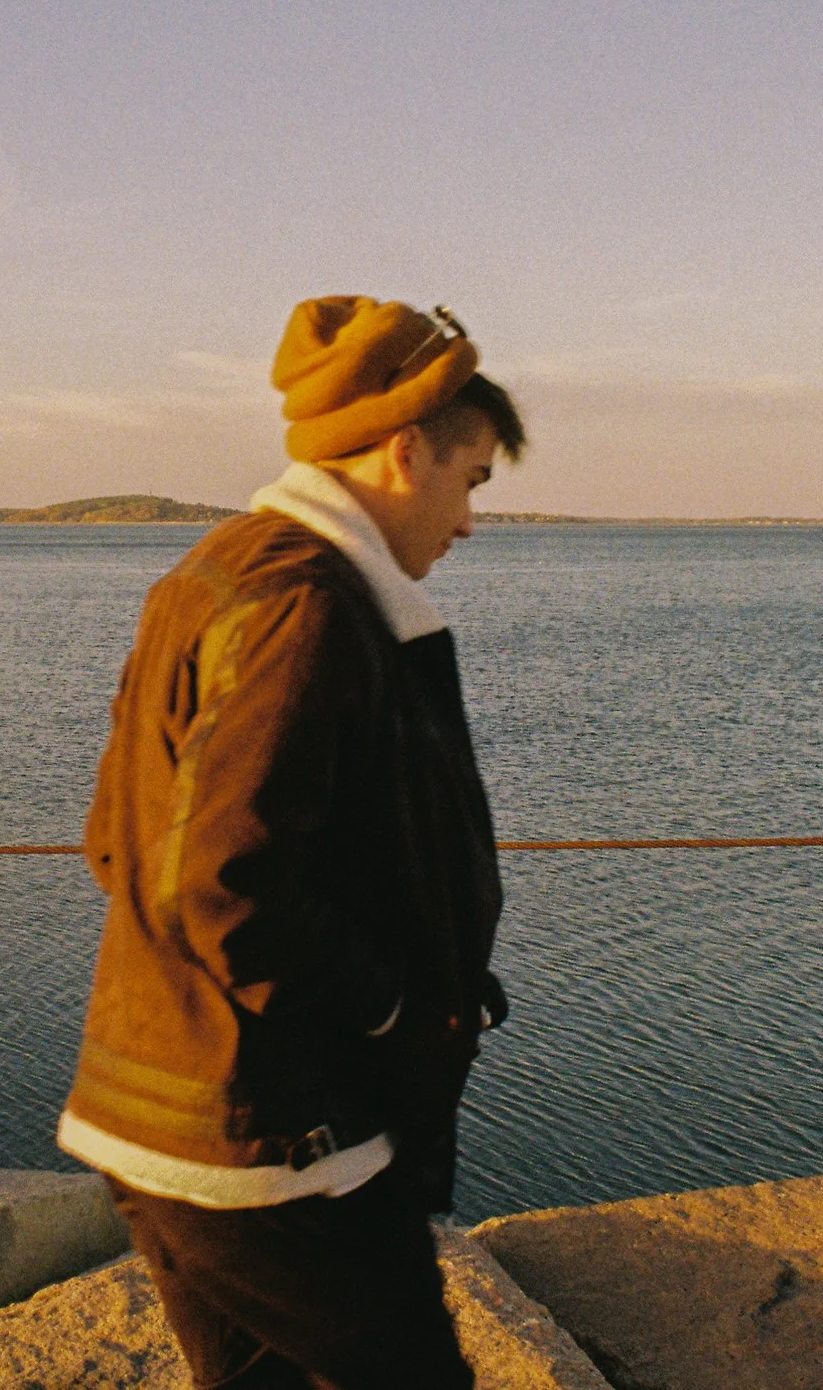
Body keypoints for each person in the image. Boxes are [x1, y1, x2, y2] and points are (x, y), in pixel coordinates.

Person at [56, 295, 525, 1390]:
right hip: (274, 1141)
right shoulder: (304, 606)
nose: (466, 523)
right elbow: (225, 884)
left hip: (160, 1115)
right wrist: (390, 1005)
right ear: (406, 452)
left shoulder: (218, 569)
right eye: (472, 482)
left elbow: (116, 843)